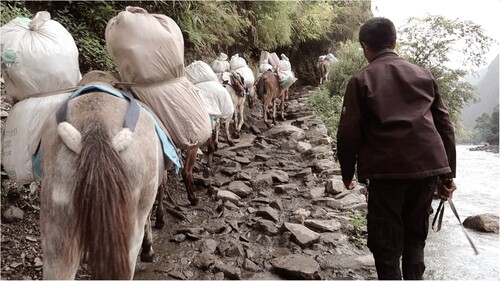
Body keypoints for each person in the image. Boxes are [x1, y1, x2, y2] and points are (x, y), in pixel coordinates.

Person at [336, 17, 457, 280]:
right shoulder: (424, 75)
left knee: (386, 245)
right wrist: (448, 176)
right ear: (394, 42)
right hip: (427, 169)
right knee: (415, 240)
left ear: (365, 47)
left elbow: (348, 132)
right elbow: (445, 127)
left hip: (386, 172)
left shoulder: (361, 79)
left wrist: (347, 172)